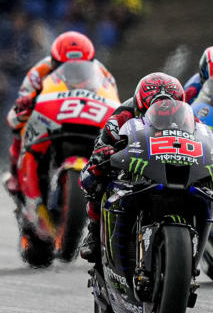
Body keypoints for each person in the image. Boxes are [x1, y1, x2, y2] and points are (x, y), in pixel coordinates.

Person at [77, 72, 188, 261]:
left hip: (171, 166)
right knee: (93, 177)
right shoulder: (121, 116)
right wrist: (104, 155)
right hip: (133, 166)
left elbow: (205, 140)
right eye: (155, 107)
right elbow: (99, 151)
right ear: (140, 106)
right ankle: (95, 230)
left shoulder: (188, 117)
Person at [5, 30, 98, 196]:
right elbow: (22, 101)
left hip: (86, 116)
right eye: (66, 66)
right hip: (51, 117)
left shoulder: (101, 73)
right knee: (20, 126)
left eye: (80, 66)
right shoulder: (38, 72)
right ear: (54, 63)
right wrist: (26, 102)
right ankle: (15, 174)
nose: (73, 71)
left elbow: (110, 93)